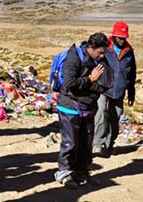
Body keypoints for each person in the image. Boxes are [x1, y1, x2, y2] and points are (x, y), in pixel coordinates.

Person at [54, 33, 113, 189]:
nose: (102, 56)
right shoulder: (73, 58)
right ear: (90, 48)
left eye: (104, 53)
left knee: (86, 142)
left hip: (88, 106)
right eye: (100, 52)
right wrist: (91, 79)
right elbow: (69, 83)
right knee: (70, 142)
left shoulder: (99, 59)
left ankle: (82, 171)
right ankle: (64, 172)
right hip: (70, 105)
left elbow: (107, 78)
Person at [93, 21, 136, 156]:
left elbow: (132, 72)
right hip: (103, 87)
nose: (122, 40)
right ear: (114, 36)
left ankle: (110, 143)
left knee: (115, 117)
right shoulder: (105, 48)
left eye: (124, 38)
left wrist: (131, 91)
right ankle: (97, 143)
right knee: (100, 113)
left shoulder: (129, 52)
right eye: (120, 37)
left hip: (119, 90)